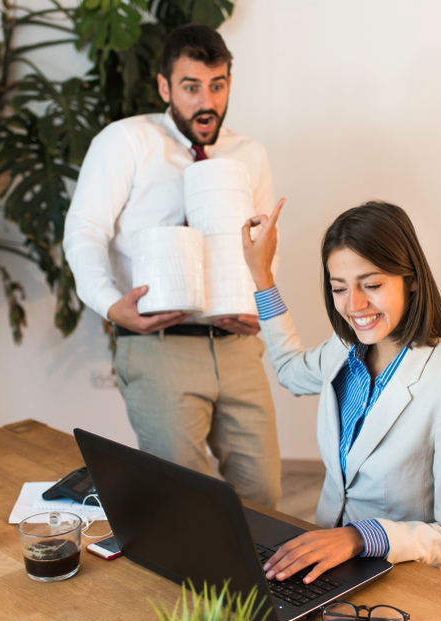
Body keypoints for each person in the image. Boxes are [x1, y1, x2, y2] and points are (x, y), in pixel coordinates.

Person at [63, 24, 281, 507]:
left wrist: (262, 309)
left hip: (237, 345)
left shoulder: (249, 154)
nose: (207, 101)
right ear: (164, 87)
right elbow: (84, 230)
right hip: (159, 345)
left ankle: (263, 586)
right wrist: (108, 305)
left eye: (218, 85)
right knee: (189, 502)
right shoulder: (126, 142)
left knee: (264, 494)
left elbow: (263, 245)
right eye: (191, 87)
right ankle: (197, 585)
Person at [242, 200, 441, 582]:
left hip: (416, 584)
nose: (355, 305)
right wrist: (261, 274)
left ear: (410, 280)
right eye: (339, 288)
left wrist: (359, 537)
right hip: (332, 575)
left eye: (373, 285)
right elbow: (291, 372)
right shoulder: (344, 350)